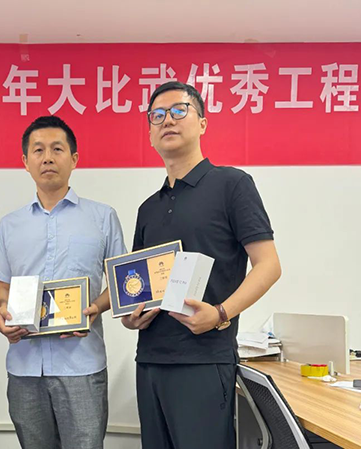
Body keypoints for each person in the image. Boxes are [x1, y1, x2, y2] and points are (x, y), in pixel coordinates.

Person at [123, 81, 282, 449]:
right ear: (150, 132)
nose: (167, 120)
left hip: (204, 360)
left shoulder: (232, 185)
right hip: (149, 361)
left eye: (179, 111)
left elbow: (269, 265)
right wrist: (130, 317)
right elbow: (137, 285)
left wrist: (221, 313)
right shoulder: (148, 208)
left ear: (203, 123)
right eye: (157, 115)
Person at [0, 116, 126, 449]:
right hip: (24, 365)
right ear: (25, 161)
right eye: (38, 150)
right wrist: (2, 315)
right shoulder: (9, 225)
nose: (47, 157)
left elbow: (121, 282)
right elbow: (3, 285)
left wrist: (95, 308)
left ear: (74, 158)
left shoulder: (102, 217)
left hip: (82, 363)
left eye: (57, 149)